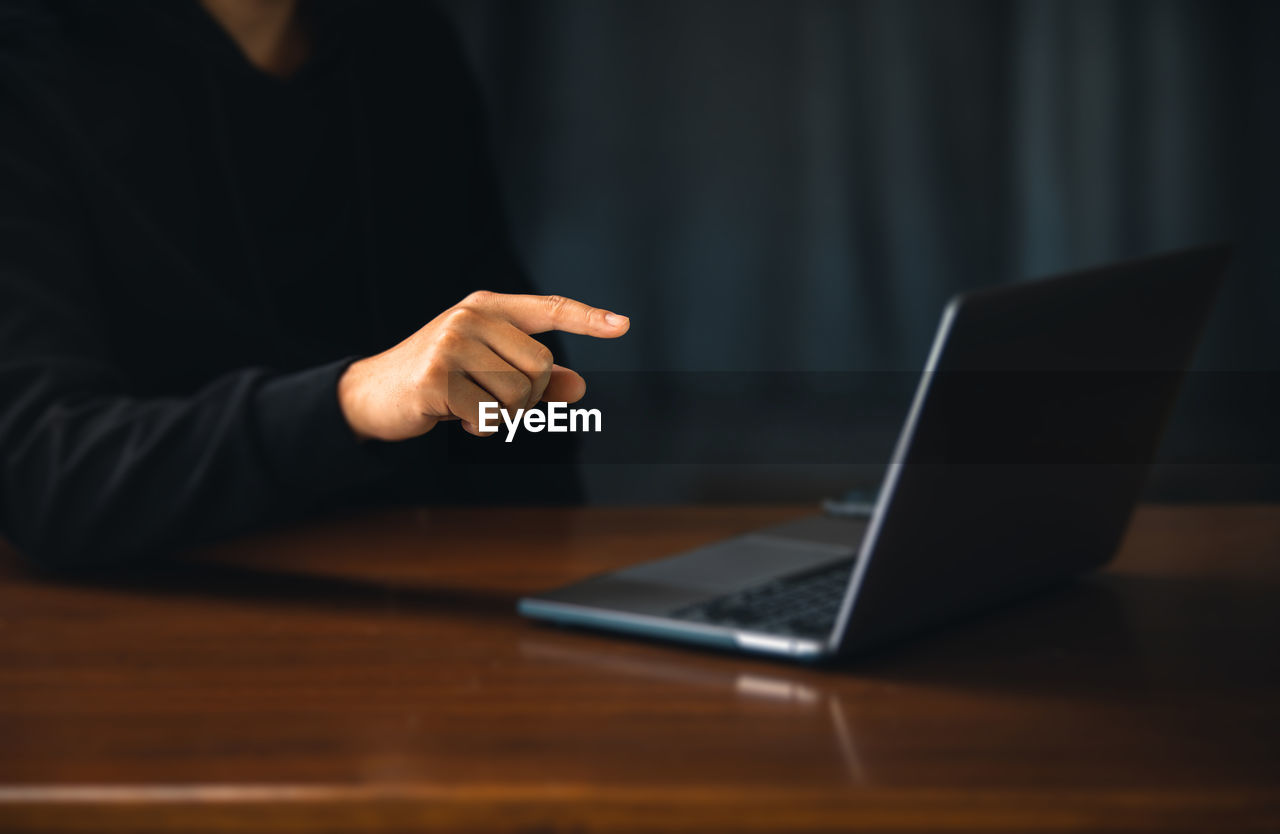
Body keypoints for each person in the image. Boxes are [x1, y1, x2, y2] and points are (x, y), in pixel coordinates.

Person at [0, 0, 629, 569]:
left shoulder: (406, 45)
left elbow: (517, 420)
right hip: (156, 621)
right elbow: (45, 476)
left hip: (436, 605)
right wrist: (354, 401)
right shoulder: (26, 74)